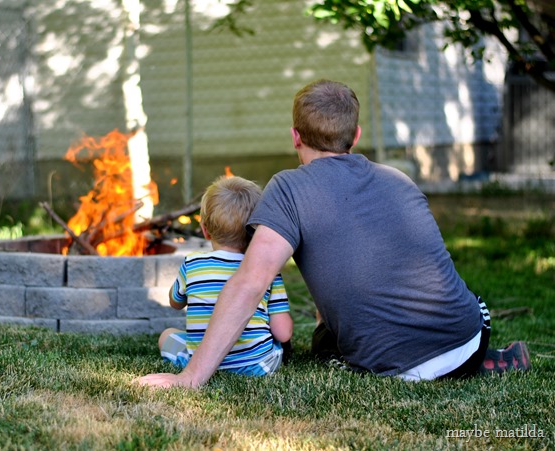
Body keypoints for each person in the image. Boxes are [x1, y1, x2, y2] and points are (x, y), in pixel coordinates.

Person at [137, 79, 530, 388]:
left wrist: (189, 377)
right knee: (465, 305)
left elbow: (250, 282)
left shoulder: (288, 188)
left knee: (325, 341)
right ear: (355, 135)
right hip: (467, 340)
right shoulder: (397, 178)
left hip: (394, 367)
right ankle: (479, 360)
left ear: (295, 136)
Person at [157, 175, 293, 377]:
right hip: (257, 366)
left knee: (166, 335)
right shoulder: (266, 269)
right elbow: (283, 332)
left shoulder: (191, 263)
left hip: (200, 362)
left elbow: (175, 303)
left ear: (205, 230)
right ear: (256, 230)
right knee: (276, 343)